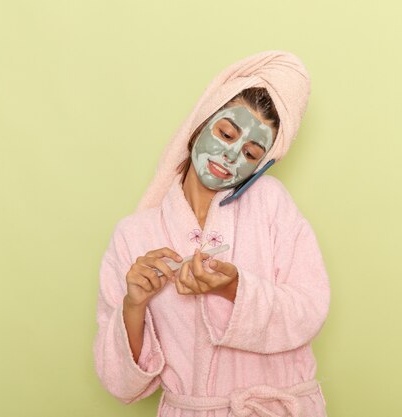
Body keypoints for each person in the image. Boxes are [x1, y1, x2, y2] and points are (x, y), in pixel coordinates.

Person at [93, 50, 331, 417]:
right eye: (226, 133)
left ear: (260, 165)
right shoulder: (134, 235)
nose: (231, 155)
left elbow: (310, 310)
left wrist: (232, 289)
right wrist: (134, 305)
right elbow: (122, 385)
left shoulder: (271, 205)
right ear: (201, 121)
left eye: (251, 152)